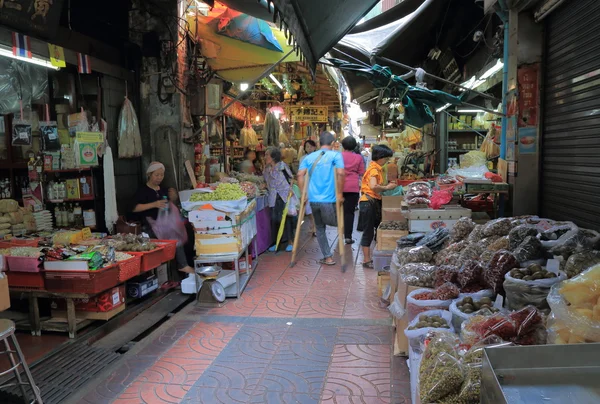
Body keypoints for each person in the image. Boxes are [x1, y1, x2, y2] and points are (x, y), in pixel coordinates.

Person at [133, 162, 194, 274]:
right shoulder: (142, 191)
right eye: (157, 175)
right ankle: (183, 265)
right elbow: (135, 208)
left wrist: (174, 198)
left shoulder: (164, 190)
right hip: (149, 226)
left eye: (161, 175)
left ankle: (185, 263)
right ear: (149, 175)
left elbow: (170, 205)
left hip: (165, 224)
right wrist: (154, 204)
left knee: (184, 230)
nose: (159, 178)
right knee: (172, 235)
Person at [297, 132, 345, 266]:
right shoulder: (336, 155)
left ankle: (328, 257)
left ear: (318, 144)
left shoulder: (309, 157)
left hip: (314, 200)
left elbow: (300, 174)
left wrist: (303, 193)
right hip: (329, 200)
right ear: (333, 143)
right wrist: (340, 194)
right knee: (336, 223)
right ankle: (338, 248)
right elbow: (341, 173)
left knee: (319, 227)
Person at [357, 145, 397, 269]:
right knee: (368, 232)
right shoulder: (374, 170)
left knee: (373, 230)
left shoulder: (376, 168)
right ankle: (366, 260)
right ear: (380, 158)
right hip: (368, 203)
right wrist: (387, 188)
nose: (386, 162)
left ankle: (372, 256)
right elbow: (374, 186)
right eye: (386, 159)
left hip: (371, 202)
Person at [263, 147, 299, 252]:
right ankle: (276, 243)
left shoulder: (282, 166)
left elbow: (291, 178)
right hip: (273, 196)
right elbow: (266, 180)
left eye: (267, 155)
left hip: (284, 195)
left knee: (286, 218)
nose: (265, 157)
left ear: (273, 157)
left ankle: (290, 242)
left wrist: (290, 190)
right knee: (275, 220)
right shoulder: (267, 168)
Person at [341, 136, 365, 244]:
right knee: (349, 212)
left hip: (339, 186)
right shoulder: (359, 158)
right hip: (353, 187)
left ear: (343, 145)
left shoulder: (338, 156)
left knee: (339, 210)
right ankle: (348, 237)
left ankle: (340, 232)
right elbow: (361, 172)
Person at [299, 139, 317, 235]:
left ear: (314, 147)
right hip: (306, 184)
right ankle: (312, 223)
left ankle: (315, 225)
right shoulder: (302, 158)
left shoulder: (318, 158)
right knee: (308, 205)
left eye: (310, 146)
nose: (309, 148)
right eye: (307, 147)